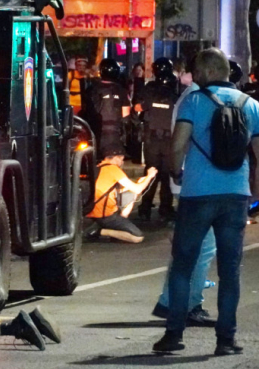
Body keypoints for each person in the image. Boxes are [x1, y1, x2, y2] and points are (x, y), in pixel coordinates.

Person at [153, 48, 259, 356]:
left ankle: (174, 334)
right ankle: (226, 339)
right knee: (230, 270)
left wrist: (177, 172)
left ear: (211, 71)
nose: (194, 77)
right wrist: (254, 192)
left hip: (197, 194)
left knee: (182, 265)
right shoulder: (251, 105)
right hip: (235, 195)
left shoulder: (194, 101)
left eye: (197, 72)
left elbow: (177, 145)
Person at [152, 61, 216, 326]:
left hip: (189, 180)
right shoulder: (198, 99)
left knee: (189, 248)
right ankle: (189, 305)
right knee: (202, 249)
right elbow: (180, 143)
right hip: (198, 182)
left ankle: (170, 302)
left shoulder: (189, 98)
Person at [86, 143, 158, 243]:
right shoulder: (113, 169)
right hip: (106, 215)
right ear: (116, 157)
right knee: (137, 237)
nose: (122, 162)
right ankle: (99, 231)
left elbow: (115, 189)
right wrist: (149, 176)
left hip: (90, 211)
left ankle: (112, 225)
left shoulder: (98, 167)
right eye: (122, 159)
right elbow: (137, 190)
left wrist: (140, 181)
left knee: (129, 193)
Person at [135, 70, 178, 221]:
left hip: (151, 141)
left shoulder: (151, 95)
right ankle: (165, 209)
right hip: (168, 142)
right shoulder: (175, 98)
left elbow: (138, 108)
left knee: (150, 173)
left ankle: (145, 208)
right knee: (166, 176)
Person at [80, 58, 130, 157]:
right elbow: (125, 115)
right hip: (115, 133)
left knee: (95, 160)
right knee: (113, 160)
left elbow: (86, 111)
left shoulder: (91, 89)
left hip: (95, 132)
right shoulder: (121, 90)